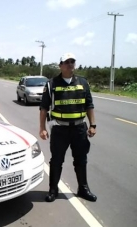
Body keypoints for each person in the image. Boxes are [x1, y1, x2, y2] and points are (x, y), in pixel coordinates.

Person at [39, 53, 97, 203]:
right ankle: (53, 190)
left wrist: (93, 125)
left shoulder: (83, 82)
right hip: (60, 129)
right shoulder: (51, 84)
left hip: (79, 129)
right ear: (60, 65)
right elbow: (44, 108)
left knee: (81, 160)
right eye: (67, 62)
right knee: (56, 160)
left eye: (72, 61)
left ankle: (83, 189)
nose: (70, 64)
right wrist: (42, 128)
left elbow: (89, 105)